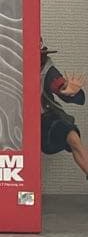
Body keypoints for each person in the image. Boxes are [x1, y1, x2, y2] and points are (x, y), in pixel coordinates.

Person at [41, 40, 88, 180]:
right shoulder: (4, 63)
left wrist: (70, 91)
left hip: (42, 118)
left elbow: (59, 85)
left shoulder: (46, 70)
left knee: (72, 137)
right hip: (10, 120)